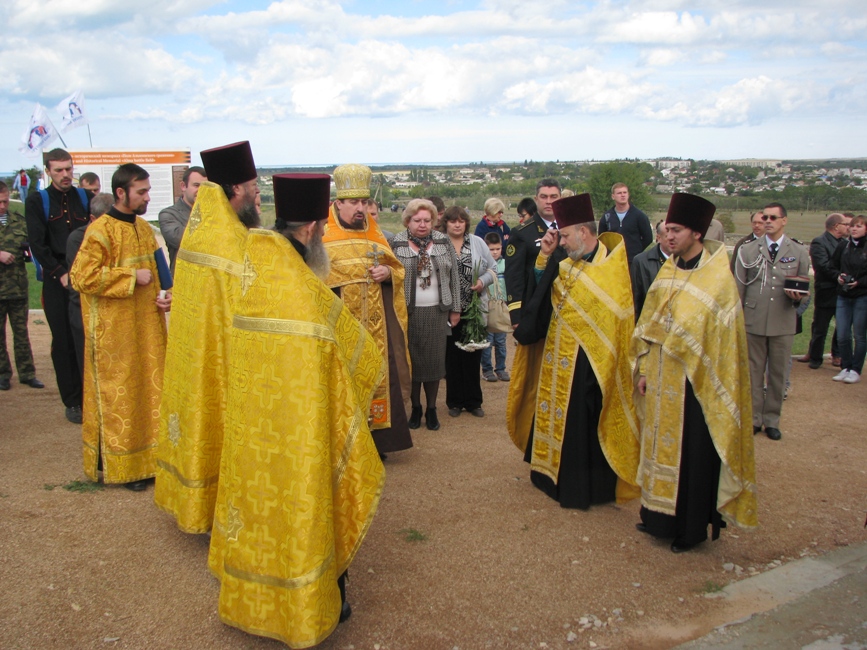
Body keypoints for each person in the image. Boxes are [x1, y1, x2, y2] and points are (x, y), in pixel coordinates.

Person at [208, 173, 384, 647]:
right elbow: (360, 355)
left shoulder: (255, 267)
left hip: (255, 426)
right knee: (309, 504)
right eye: (322, 231)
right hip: (301, 430)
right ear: (310, 229)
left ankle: (250, 597)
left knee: (261, 509)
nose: (324, 238)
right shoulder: (301, 289)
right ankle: (317, 603)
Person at [633, 192, 757, 553]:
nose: (668, 237)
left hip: (697, 384)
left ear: (697, 233)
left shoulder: (717, 278)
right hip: (661, 378)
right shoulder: (668, 270)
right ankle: (658, 517)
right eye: (666, 230)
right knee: (659, 448)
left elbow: (721, 340)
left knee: (692, 454)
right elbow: (649, 325)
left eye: (676, 230)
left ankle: (689, 530)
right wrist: (643, 368)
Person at [154, 141, 260, 534]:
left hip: (196, 358)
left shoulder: (201, 237)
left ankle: (194, 501)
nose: (256, 193)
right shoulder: (234, 243)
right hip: (228, 360)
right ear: (235, 190)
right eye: (251, 186)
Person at [518, 193, 640, 509]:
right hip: (557, 358)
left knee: (581, 424)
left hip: (589, 366)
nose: (563, 242)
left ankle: (581, 487)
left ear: (584, 232)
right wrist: (544, 257)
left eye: (566, 236)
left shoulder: (611, 268)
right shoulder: (566, 263)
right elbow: (541, 299)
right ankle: (548, 475)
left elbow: (618, 322)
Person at [69, 163, 172, 491]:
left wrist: (164, 295)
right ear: (120, 193)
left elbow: (157, 272)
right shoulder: (100, 230)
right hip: (115, 332)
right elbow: (80, 277)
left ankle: (153, 460)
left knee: (151, 390)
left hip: (148, 326)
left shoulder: (143, 228)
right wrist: (128, 276)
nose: (147, 197)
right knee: (123, 395)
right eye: (141, 192)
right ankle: (127, 465)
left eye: (148, 191)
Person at [322, 163, 413, 456]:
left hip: (376, 328)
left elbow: (396, 270)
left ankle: (378, 442)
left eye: (364, 202)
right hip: (340, 327)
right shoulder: (323, 236)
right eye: (353, 202)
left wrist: (388, 275)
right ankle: (345, 444)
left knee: (378, 377)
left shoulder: (375, 235)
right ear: (339, 203)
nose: (360, 208)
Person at [25, 148, 91, 423]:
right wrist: (59, 272)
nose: (65, 175)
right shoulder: (37, 200)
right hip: (57, 281)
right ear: (48, 172)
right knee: (63, 341)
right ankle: (72, 400)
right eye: (59, 170)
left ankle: (89, 396)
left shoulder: (85, 197)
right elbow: (37, 244)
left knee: (86, 339)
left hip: (84, 278)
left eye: (68, 169)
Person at [734, 202, 809, 441]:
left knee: (777, 374)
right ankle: (755, 418)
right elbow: (739, 288)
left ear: (784, 220)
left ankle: (772, 420)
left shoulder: (798, 251)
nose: (768, 221)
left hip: (783, 318)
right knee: (753, 373)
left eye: (773, 218)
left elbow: (804, 286)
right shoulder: (748, 250)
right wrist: (739, 319)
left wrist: (798, 301)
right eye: (764, 217)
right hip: (753, 318)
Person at [505, 178, 566, 451]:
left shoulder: (572, 228)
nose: (549, 200)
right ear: (537, 199)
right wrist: (517, 316)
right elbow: (515, 276)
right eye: (544, 196)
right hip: (535, 311)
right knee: (537, 375)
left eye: (554, 196)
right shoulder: (523, 233)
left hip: (566, 312)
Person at [390, 199, 460, 430]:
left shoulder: (443, 241)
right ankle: (415, 408)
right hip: (407, 312)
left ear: (434, 221)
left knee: (434, 363)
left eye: (427, 220)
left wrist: (455, 308)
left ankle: (431, 409)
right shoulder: (396, 243)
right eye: (417, 220)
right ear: (408, 221)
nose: (422, 224)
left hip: (437, 312)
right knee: (412, 364)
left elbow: (455, 277)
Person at [440, 206, 496, 418]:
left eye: (461, 221)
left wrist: (483, 281)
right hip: (447, 310)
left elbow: (493, 268)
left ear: (466, 223)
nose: (457, 224)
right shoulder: (438, 243)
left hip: (474, 309)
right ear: (446, 222)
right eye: (453, 220)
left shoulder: (477, 242)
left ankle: (473, 401)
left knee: (473, 355)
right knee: (452, 356)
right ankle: (454, 401)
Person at [0, 181, 43, 391]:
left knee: (21, 333)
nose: (2, 205)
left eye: (5, 201)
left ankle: (27, 373)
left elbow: (32, 246)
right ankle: (2, 374)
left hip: (17, 287)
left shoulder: (19, 221)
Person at [66, 193, 114, 378]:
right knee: (90, 369)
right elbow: (85, 280)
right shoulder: (78, 239)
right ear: (93, 219)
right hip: (84, 312)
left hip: (110, 311)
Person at [804, 213, 850, 368]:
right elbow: (822, 266)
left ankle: (838, 355)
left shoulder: (845, 243)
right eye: (845, 224)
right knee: (820, 327)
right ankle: (815, 358)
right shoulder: (819, 242)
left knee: (842, 326)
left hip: (843, 292)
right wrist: (839, 275)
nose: (848, 227)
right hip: (826, 290)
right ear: (836, 226)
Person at [829, 214, 867, 384]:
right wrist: (839, 276)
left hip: (862, 296)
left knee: (859, 335)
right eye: (852, 226)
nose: (854, 229)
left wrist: (859, 282)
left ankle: (856, 369)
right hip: (843, 295)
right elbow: (832, 266)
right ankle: (846, 366)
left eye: (859, 226)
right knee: (843, 334)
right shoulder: (843, 246)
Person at [158, 166, 207, 273]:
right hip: (182, 281)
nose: (201, 190)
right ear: (183, 186)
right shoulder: (168, 214)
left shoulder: (213, 213)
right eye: (196, 185)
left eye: (205, 187)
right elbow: (183, 240)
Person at [598, 182, 653, 263]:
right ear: (613, 196)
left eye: (625, 192)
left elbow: (648, 238)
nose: (622, 195)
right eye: (619, 193)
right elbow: (602, 239)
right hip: (614, 261)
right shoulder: (606, 217)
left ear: (628, 194)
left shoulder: (639, 216)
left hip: (633, 261)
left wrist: (636, 251)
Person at [481, 232, 508, 382]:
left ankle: (501, 368)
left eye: (498, 249)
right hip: (487, 306)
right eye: (491, 249)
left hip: (501, 306)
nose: (495, 252)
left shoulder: (505, 264)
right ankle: (487, 369)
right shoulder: (483, 265)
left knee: (501, 341)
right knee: (487, 341)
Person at [630, 220, 671, 320]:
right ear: (658, 238)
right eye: (667, 235)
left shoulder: (685, 261)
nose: (672, 238)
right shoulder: (641, 262)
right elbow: (635, 300)